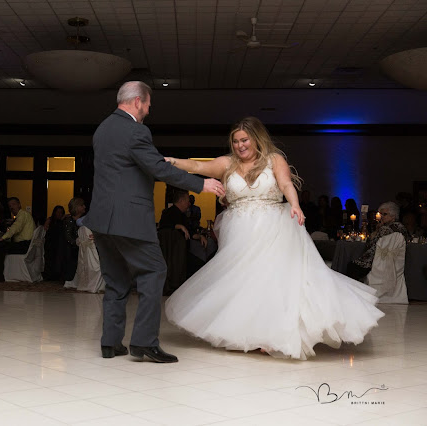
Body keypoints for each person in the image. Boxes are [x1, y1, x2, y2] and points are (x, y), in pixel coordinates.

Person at [163, 117, 384, 360]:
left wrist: (296, 205)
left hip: (274, 226)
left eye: (244, 140)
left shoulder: (274, 159)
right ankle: (249, 332)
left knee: (274, 279)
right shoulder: (227, 163)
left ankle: (273, 334)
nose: (240, 145)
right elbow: (196, 167)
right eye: (235, 141)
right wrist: (170, 161)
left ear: (256, 139)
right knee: (245, 282)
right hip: (240, 230)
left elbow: (286, 183)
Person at [83, 81, 219, 363]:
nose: (148, 109)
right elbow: (156, 169)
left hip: (101, 219)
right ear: (137, 102)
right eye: (147, 104)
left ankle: (110, 343)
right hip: (129, 219)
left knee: (117, 280)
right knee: (155, 271)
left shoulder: (103, 129)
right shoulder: (136, 130)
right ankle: (144, 342)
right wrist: (200, 185)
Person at [347, 202, 410, 281]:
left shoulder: (385, 229)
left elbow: (371, 245)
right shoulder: (402, 228)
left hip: (377, 262)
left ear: (393, 216)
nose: (382, 217)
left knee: (351, 266)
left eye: (385, 214)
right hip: (395, 264)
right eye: (381, 214)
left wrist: (376, 231)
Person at [0, 197, 35, 282]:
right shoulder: (21, 215)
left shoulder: (22, 214)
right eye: (10, 206)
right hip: (25, 244)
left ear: (19, 204)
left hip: (25, 245)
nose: (11, 207)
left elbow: (16, 228)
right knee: (2, 245)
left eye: (14, 204)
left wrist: (2, 238)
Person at [62, 198, 86, 283]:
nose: (84, 207)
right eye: (82, 205)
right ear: (77, 207)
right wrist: (78, 243)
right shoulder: (69, 220)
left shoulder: (83, 220)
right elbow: (68, 237)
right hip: (72, 249)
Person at [43, 205, 65, 281]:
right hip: (50, 242)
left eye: (61, 212)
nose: (59, 214)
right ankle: (48, 275)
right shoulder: (50, 220)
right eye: (57, 212)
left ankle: (57, 275)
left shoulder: (63, 221)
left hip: (59, 242)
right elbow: (45, 230)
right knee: (49, 257)